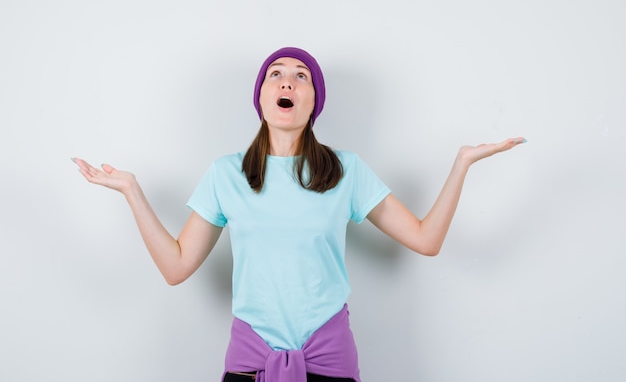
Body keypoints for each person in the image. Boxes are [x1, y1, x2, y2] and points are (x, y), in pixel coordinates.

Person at [72, 47, 526, 382]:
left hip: (329, 361)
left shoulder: (346, 170)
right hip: (250, 365)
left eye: (301, 76)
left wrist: (462, 162)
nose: (287, 81)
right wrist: (132, 190)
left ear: (313, 102)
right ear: (263, 97)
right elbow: (175, 267)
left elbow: (427, 240)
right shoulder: (226, 174)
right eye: (276, 74)